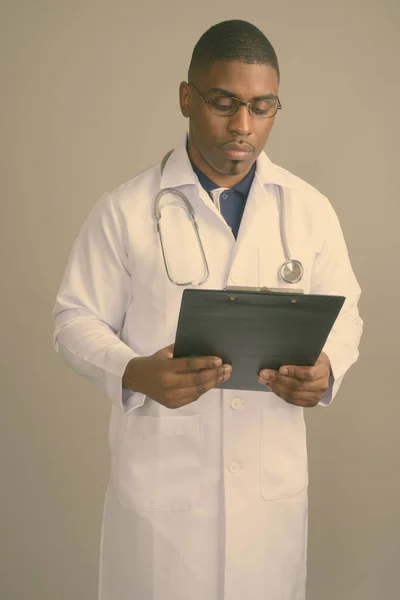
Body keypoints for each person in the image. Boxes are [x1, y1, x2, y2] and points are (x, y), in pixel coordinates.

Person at [52, 19, 363, 600]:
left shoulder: (308, 209)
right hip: (164, 500)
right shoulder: (127, 209)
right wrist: (134, 371)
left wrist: (327, 367)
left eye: (262, 106)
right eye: (224, 103)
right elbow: (74, 319)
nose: (243, 126)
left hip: (268, 496)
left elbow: (347, 312)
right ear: (186, 97)